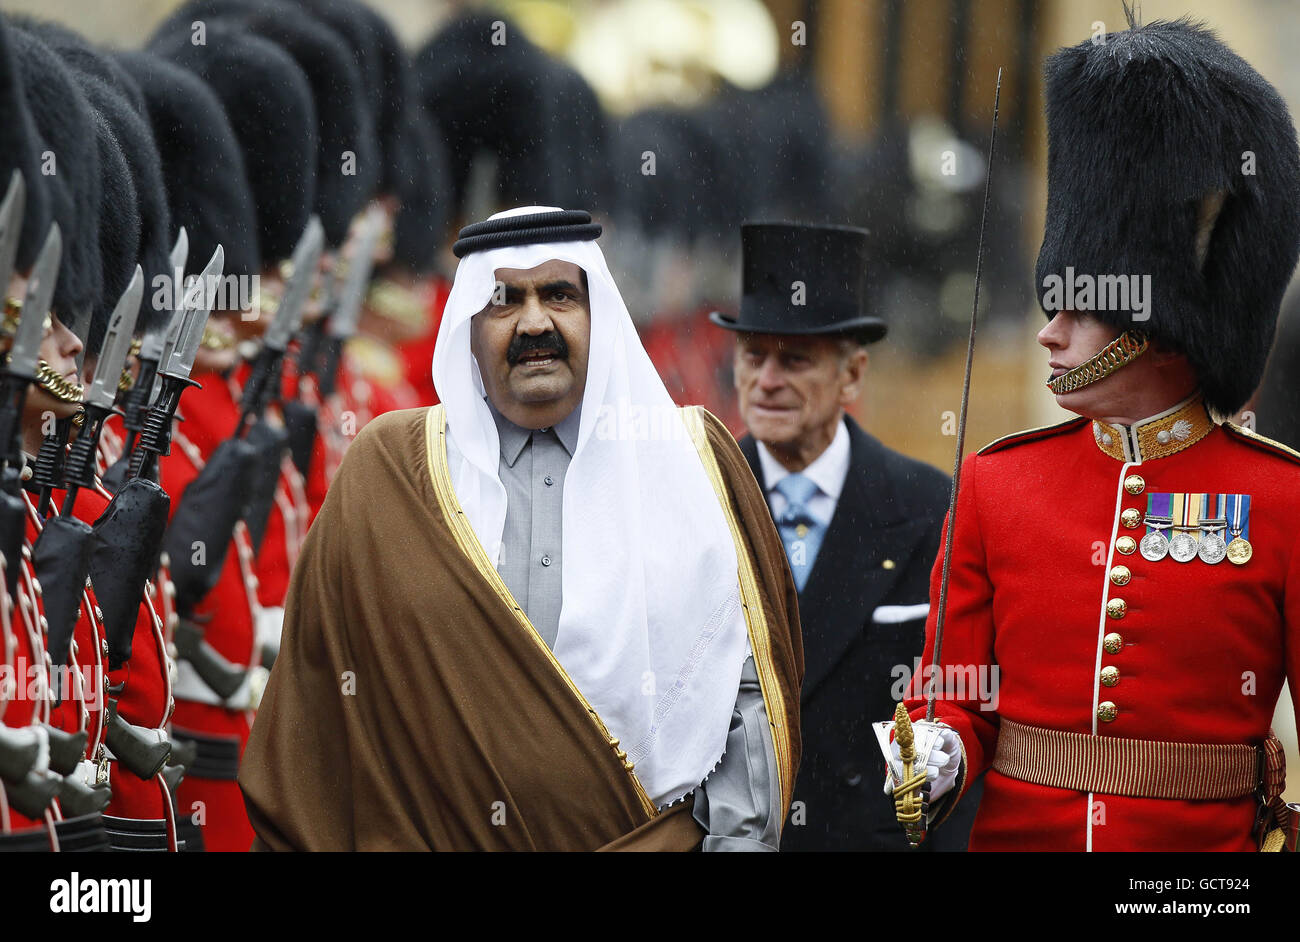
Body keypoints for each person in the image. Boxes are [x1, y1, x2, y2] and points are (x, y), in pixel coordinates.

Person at [240, 207, 803, 850]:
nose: (535, 321)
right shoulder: (389, 472)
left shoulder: (690, 460)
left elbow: (746, 701)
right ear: (469, 329)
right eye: (505, 299)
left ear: (600, 317)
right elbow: (316, 715)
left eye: (560, 294)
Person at [881, 12, 1300, 852]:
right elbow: (958, 687)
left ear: (1155, 317)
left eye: (1078, 308)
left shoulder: (1281, 500)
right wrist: (939, 748)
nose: (1049, 331)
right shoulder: (998, 485)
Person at [712, 222, 977, 850]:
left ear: (852, 375)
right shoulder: (698, 498)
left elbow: (963, 708)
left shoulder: (932, 508)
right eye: (754, 356)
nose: (768, 380)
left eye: (795, 359)